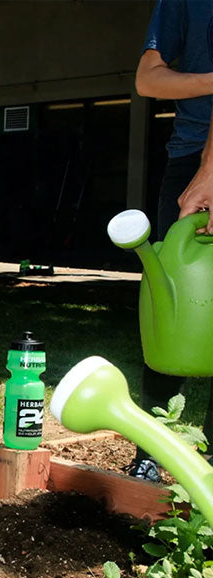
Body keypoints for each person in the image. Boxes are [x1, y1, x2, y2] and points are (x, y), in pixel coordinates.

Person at [130, 0, 213, 480]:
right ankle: (154, 450)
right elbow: (148, 80)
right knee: (171, 302)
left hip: (202, 168)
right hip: (188, 161)